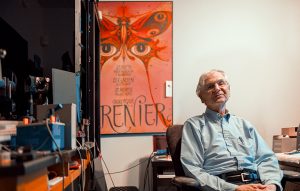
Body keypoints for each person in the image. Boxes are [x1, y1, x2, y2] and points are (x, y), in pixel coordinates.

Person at [180, 69, 283, 191]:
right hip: (222, 187)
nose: (217, 88)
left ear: (228, 89)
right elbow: (193, 169)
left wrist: (271, 184)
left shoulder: (244, 125)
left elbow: (266, 159)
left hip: (258, 184)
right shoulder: (194, 125)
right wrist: (234, 189)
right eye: (210, 86)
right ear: (201, 97)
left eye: (221, 83)